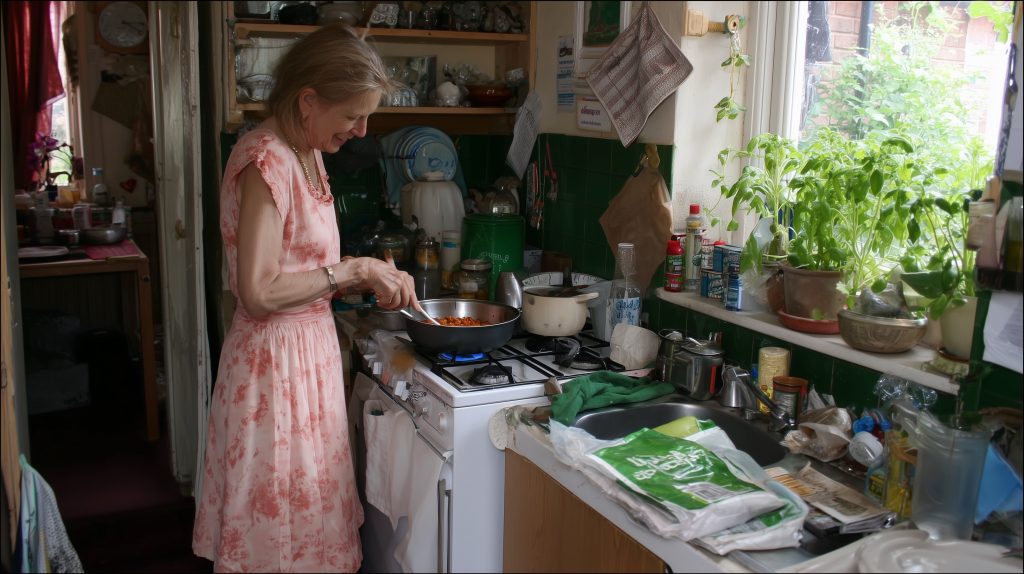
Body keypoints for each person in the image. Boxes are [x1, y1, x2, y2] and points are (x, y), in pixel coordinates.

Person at [192, 23, 416, 572]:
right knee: (276, 544)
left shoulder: (307, 149)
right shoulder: (266, 159)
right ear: (308, 99)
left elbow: (304, 266)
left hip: (307, 362)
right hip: (273, 374)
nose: (361, 131)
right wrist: (351, 269)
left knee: (308, 535)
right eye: (352, 116)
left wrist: (366, 277)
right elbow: (260, 289)